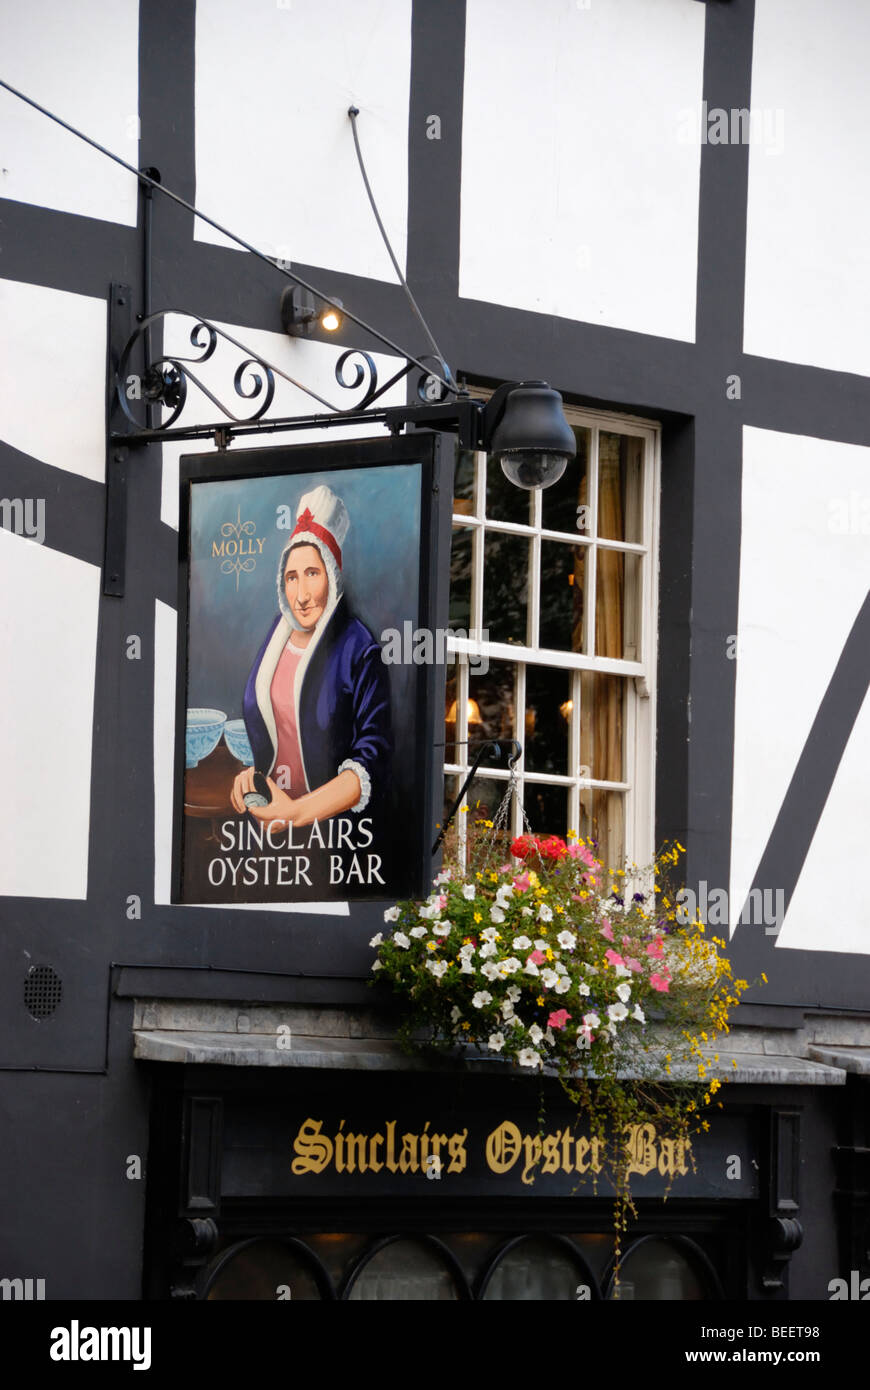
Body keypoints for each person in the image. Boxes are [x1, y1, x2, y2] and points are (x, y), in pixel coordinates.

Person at [230, 484, 392, 832]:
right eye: (292, 577)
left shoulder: (358, 647)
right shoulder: (278, 633)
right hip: (268, 829)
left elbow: (372, 757)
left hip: (334, 839)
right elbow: (274, 727)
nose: (301, 595)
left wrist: (297, 813)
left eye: (312, 574)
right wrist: (251, 777)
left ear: (331, 576)